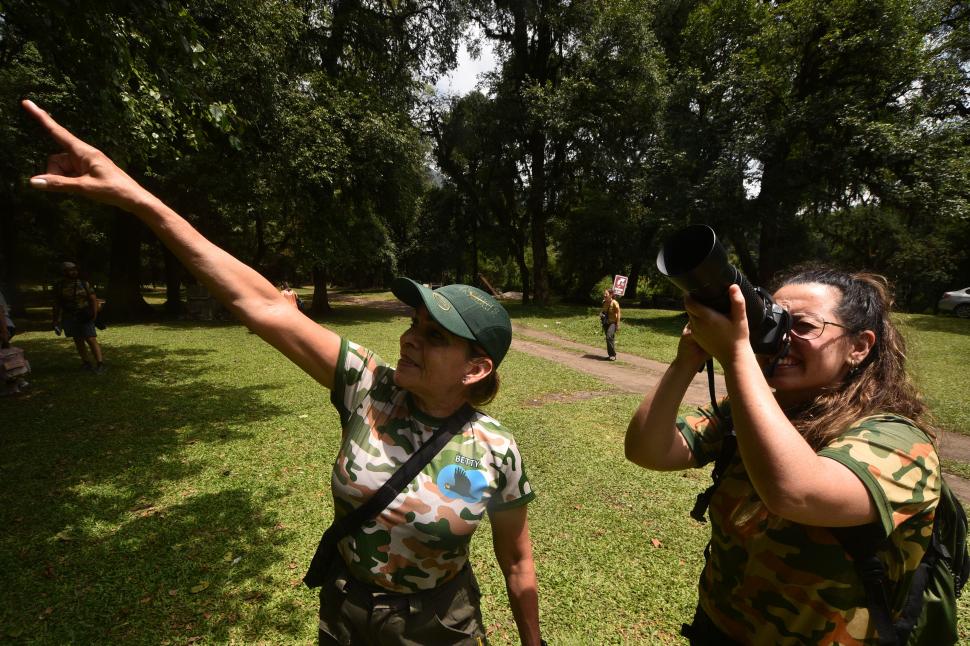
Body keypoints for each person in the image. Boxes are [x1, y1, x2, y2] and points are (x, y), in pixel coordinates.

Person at [22, 99, 543, 646]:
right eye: (414, 324)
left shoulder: (495, 450)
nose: (410, 338)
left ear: (476, 368)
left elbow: (517, 560)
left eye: (434, 336)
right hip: (347, 613)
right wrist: (140, 201)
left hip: (440, 623)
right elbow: (263, 304)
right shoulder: (369, 384)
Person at [625, 266, 944, 644]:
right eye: (773, 321)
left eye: (804, 327)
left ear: (859, 346)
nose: (779, 339)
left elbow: (795, 492)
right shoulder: (742, 412)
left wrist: (737, 354)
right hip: (719, 630)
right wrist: (687, 360)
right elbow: (648, 450)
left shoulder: (899, 441)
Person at [53, 261, 104, 373]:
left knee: (91, 338)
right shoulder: (59, 286)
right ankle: (86, 363)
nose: (74, 272)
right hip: (69, 316)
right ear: (64, 272)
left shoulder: (83, 283)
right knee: (78, 339)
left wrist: (94, 315)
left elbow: (93, 299)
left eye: (75, 269)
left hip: (84, 315)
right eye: (70, 270)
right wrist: (56, 320)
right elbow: (57, 303)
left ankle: (100, 364)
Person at [600, 288, 621, 361]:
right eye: (604, 294)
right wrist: (601, 315)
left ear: (611, 295)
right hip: (606, 323)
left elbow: (618, 313)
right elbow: (603, 311)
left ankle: (613, 355)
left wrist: (618, 324)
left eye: (606, 294)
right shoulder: (604, 302)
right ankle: (610, 355)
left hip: (613, 323)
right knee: (609, 339)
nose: (604, 295)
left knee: (609, 336)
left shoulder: (614, 302)